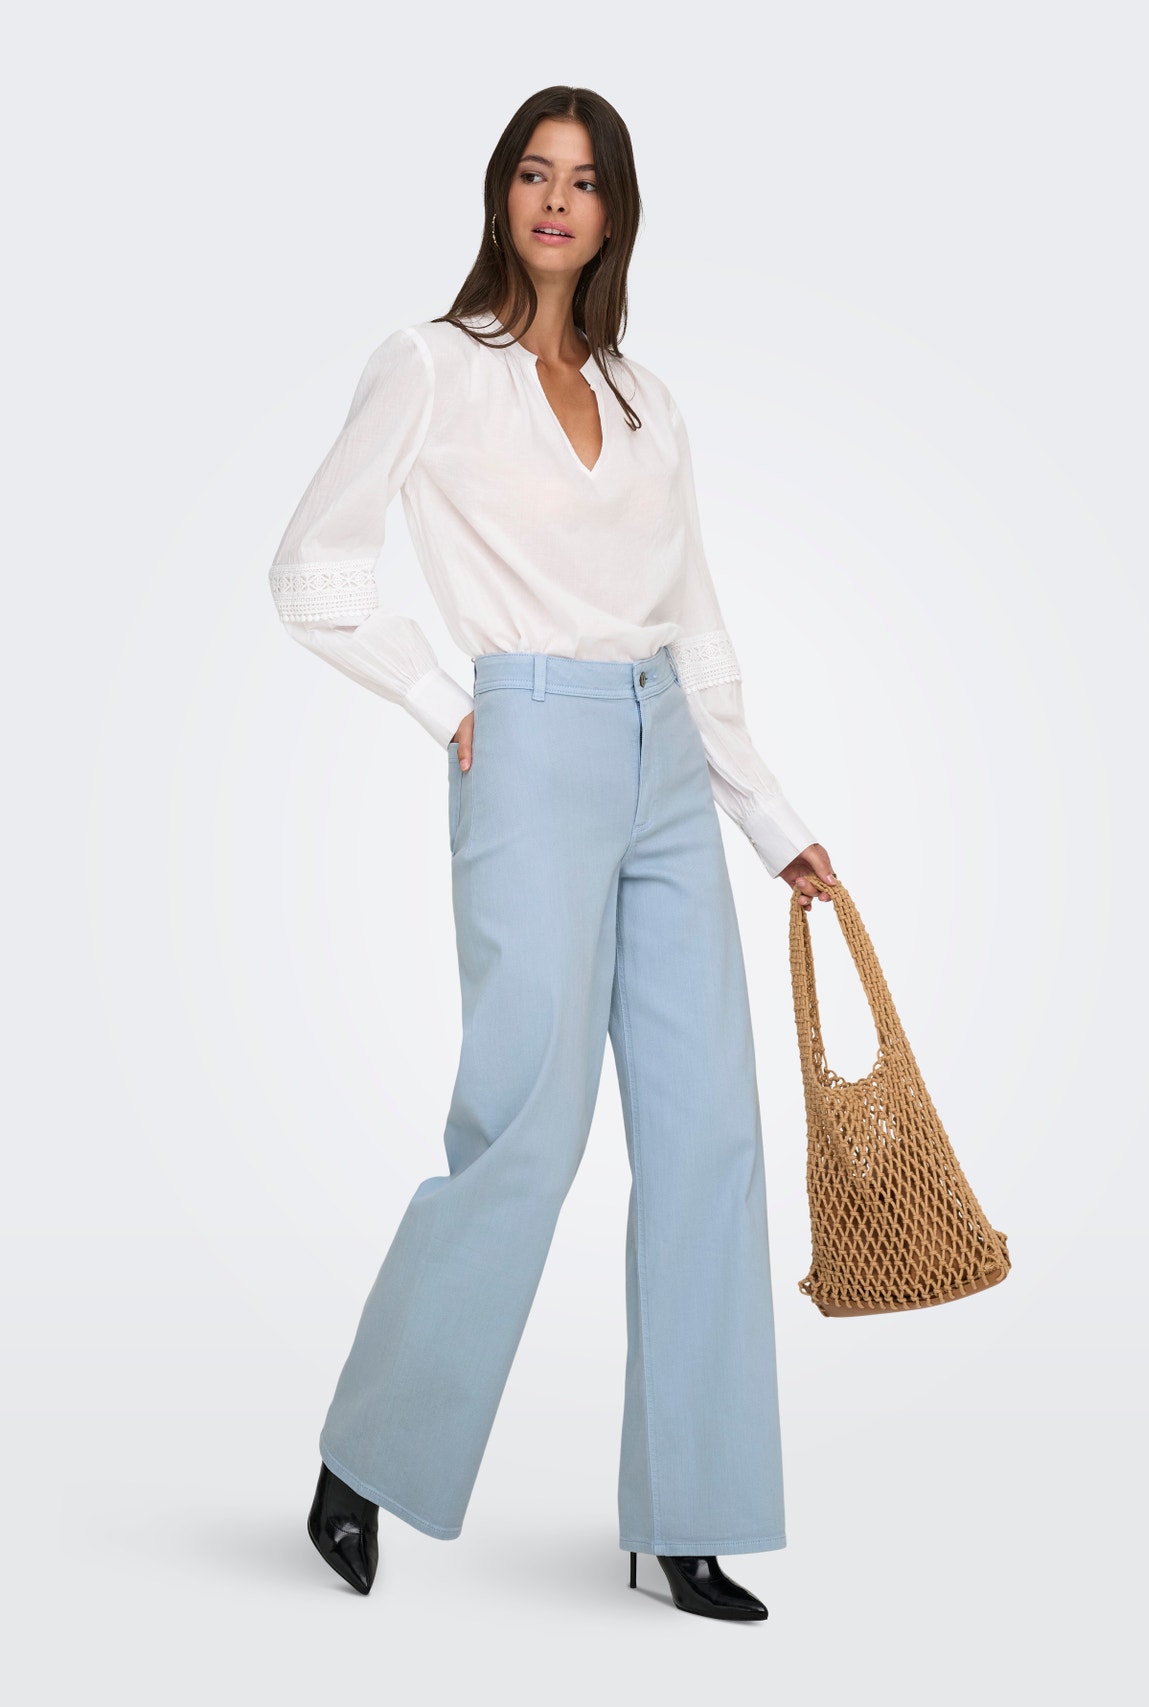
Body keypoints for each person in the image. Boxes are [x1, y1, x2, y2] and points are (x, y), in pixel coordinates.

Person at [268, 84, 838, 1622]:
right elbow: (312, 568)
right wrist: (445, 702)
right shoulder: (433, 366)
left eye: (584, 180)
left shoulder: (649, 402)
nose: (556, 200)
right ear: (501, 192)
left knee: (711, 1137)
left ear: (615, 211)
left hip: (667, 758)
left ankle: (687, 1519)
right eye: (534, 172)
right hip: (525, 742)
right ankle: (365, 1459)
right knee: (525, 1125)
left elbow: (697, 627)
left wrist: (772, 820)